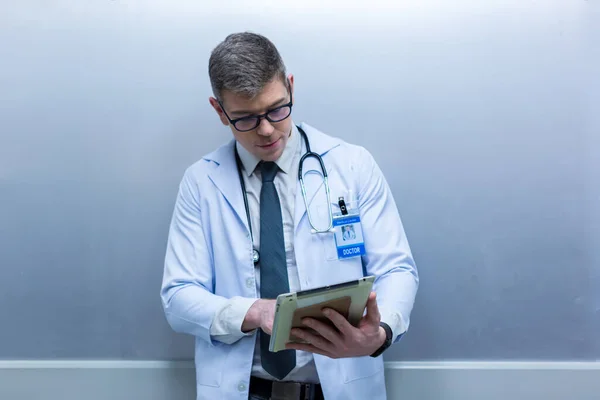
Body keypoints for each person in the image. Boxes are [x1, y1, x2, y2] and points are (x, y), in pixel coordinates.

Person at [160, 32, 419, 400]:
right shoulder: (201, 183)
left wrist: (382, 333)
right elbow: (178, 298)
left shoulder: (352, 165)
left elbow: (397, 270)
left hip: (337, 389)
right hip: (245, 390)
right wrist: (254, 312)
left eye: (277, 109)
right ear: (220, 111)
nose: (266, 130)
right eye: (246, 119)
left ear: (291, 88)